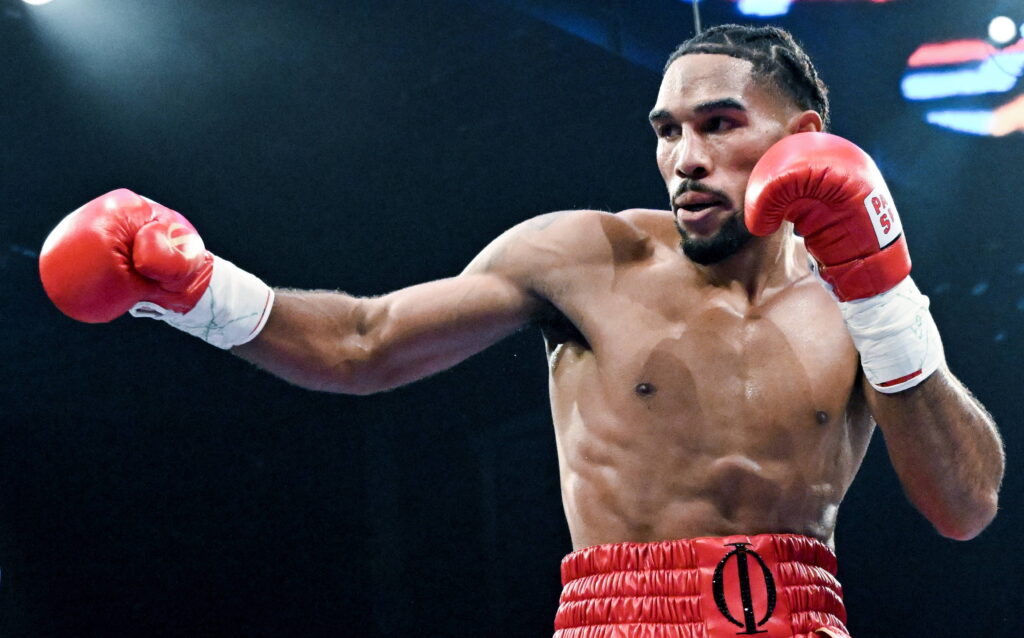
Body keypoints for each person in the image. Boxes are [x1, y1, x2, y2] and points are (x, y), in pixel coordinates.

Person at [39, 25, 1004, 638]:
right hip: (619, 615)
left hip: (804, 616)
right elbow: (365, 342)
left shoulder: (863, 302)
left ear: (807, 135)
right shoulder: (588, 256)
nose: (686, 158)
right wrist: (201, 290)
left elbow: (965, 505)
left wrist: (883, 293)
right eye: (667, 131)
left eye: (718, 124)